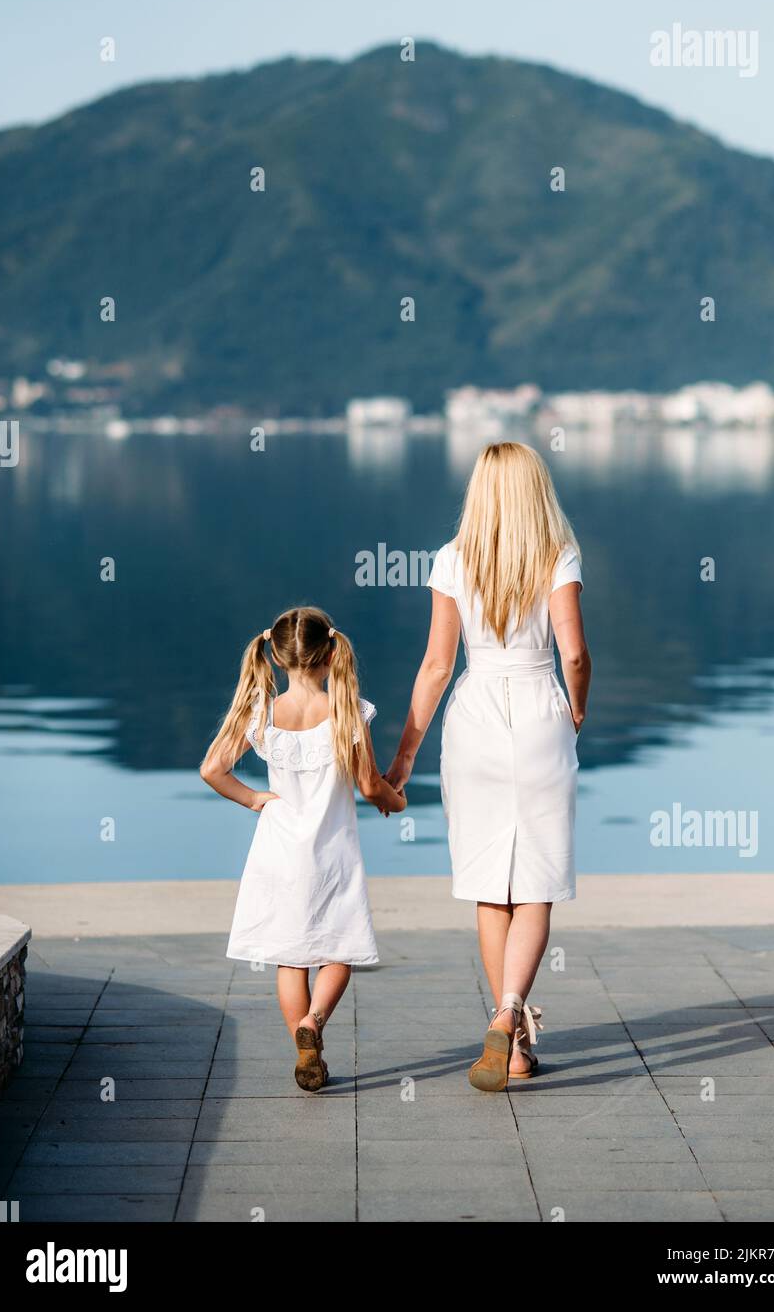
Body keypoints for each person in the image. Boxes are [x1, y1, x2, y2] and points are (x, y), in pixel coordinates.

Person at [386, 443, 590, 1091]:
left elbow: (436, 666)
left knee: (488, 885)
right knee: (536, 883)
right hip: (537, 713)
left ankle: (517, 1048)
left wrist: (403, 758)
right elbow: (576, 654)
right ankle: (507, 1020)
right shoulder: (557, 553)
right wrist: (576, 710)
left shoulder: (451, 559)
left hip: (472, 718)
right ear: (538, 488)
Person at [201, 606, 405, 1092]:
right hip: (332, 852)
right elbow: (370, 786)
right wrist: (396, 800)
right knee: (340, 950)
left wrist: (254, 800)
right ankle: (314, 1022)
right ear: (331, 652)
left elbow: (212, 769)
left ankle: (302, 1045)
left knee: (290, 956)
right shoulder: (347, 710)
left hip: (279, 850)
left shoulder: (264, 714)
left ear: (274, 655)